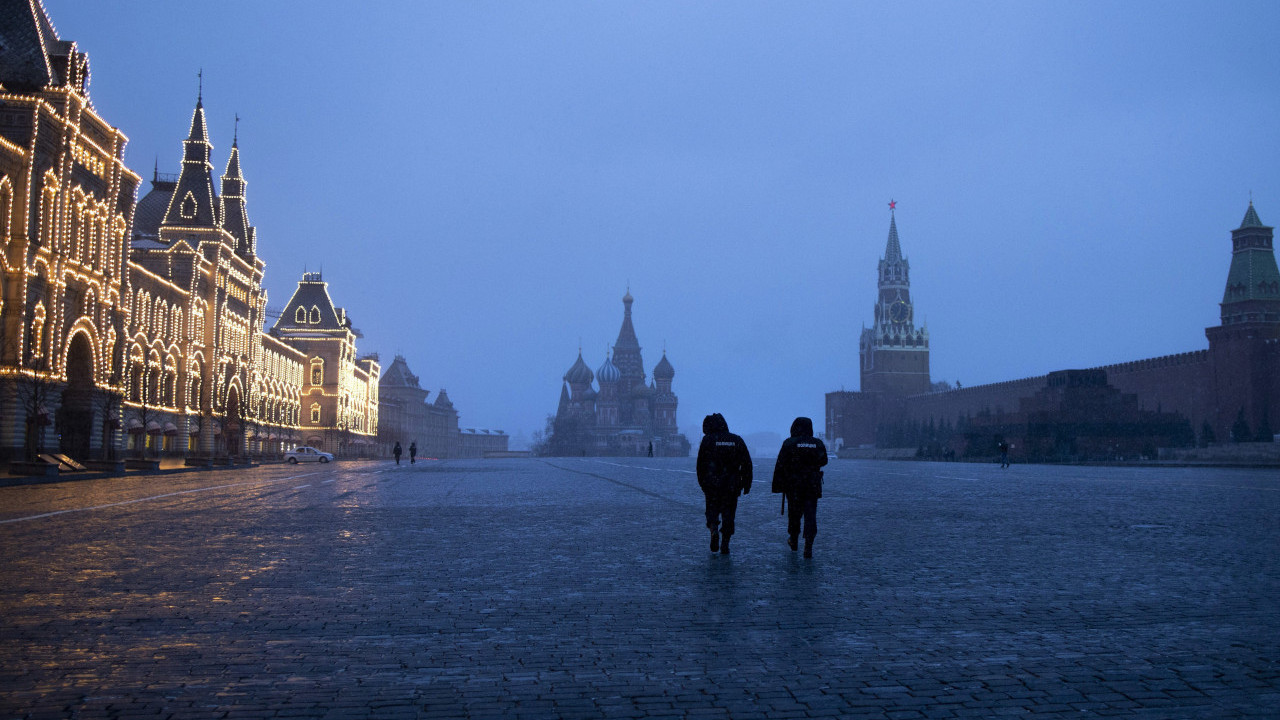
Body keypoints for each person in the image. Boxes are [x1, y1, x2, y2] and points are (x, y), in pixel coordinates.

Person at [696, 413, 752, 555]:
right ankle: (725, 542)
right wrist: (746, 483)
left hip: (712, 484)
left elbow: (700, 465)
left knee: (712, 510)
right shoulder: (736, 440)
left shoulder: (707, 440)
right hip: (731, 485)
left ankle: (714, 528)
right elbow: (746, 463)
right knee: (729, 514)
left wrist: (703, 482)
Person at [771, 417, 828, 558]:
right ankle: (809, 544)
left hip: (794, 485)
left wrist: (778, 485)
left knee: (794, 514)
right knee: (810, 515)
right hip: (812, 485)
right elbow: (824, 460)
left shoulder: (789, 443)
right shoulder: (817, 443)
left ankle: (794, 539)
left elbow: (780, 464)